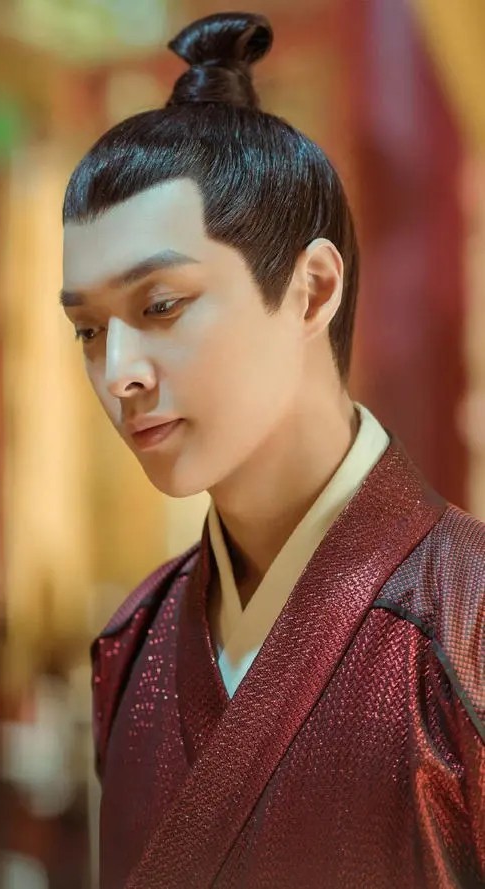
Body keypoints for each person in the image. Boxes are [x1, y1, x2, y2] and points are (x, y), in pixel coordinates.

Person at [60, 12, 484, 889]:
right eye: (89, 329)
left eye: (161, 305)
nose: (119, 371)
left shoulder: (466, 619)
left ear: (311, 289)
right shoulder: (132, 644)